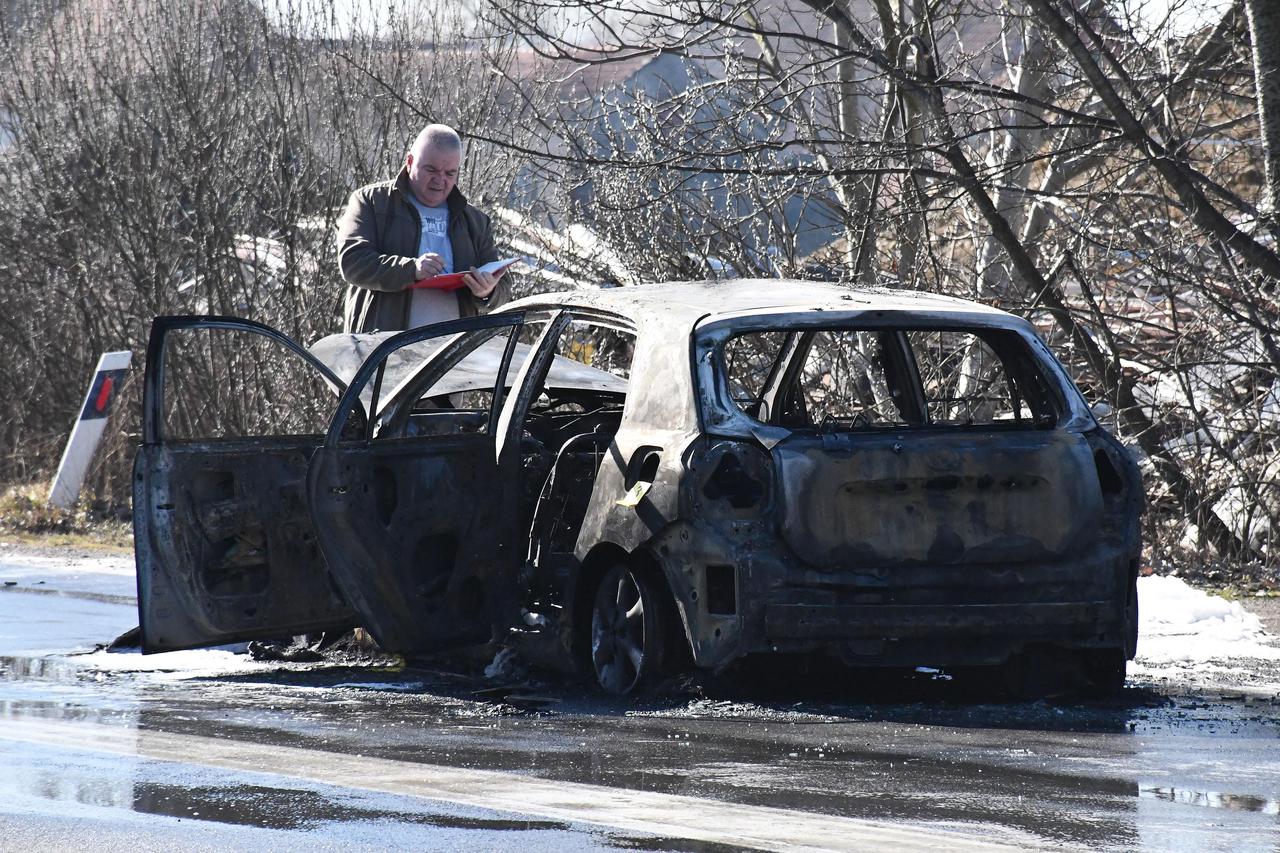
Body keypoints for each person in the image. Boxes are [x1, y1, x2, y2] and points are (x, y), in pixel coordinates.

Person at [336, 124, 511, 332]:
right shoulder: (371, 202)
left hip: (452, 356)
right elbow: (352, 263)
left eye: (449, 173)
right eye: (431, 170)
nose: (440, 180)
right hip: (382, 350)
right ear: (410, 162)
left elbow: (503, 288)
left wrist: (487, 291)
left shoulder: (475, 221)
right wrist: (411, 270)